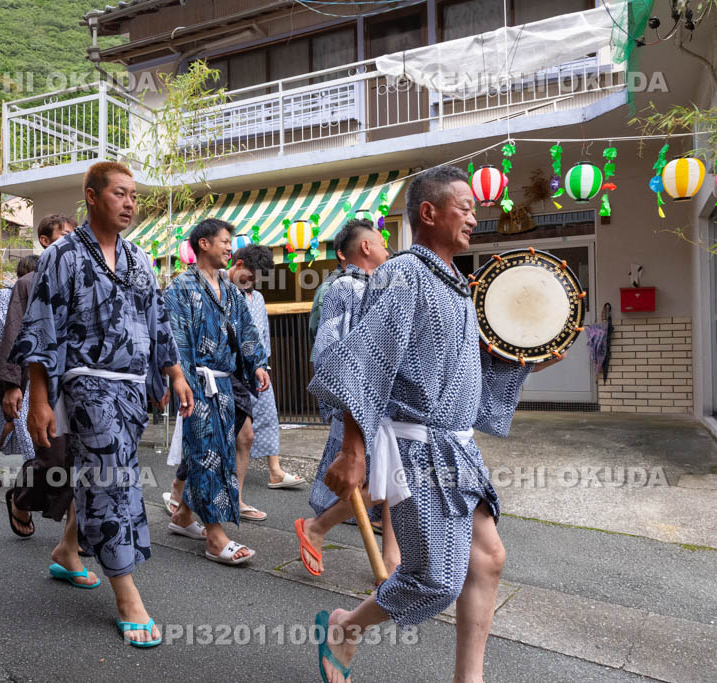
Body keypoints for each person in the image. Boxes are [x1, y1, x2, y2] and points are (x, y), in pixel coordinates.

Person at [307, 166, 565, 683]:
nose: (475, 216)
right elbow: (366, 360)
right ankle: (346, 626)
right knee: (434, 580)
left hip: (456, 448)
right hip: (417, 450)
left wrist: (527, 358)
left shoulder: (458, 286)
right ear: (429, 213)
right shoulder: (403, 274)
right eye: (464, 207)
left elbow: (469, 367)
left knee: (488, 558)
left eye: (474, 208)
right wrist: (353, 449)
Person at [11, 162, 193, 647]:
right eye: (119, 193)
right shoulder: (62, 257)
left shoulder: (140, 259)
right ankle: (127, 595)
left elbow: (157, 322)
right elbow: (41, 330)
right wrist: (40, 400)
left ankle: (69, 551)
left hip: (131, 387)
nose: (130, 203)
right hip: (87, 383)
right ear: (92, 197)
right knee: (113, 481)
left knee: (102, 473)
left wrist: (174, 373)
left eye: (134, 195)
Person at [294, 218, 400, 581]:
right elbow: (328, 349)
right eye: (380, 242)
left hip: (385, 398)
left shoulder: (381, 286)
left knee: (395, 475)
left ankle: (391, 557)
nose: (387, 248)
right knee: (376, 478)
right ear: (366, 247)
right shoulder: (342, 287)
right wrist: (341, 402)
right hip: (361, 400)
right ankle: (317, 528)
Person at [163, 218, 270, 566]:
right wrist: (178, 379)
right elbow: (173, 338)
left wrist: (256, 363)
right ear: (204, 244)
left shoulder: (230, 291)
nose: (229, 247)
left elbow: (247, 332)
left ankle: (182, 516)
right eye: (224, 241)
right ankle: (215, 535)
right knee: (205, 454)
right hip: (197, 382)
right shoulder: (180, 288)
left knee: (218, 453)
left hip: (225, 384)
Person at [0, 216, 77, 545]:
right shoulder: (29, 282)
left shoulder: (84, 278)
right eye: (64, 234)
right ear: (45, 240)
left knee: (84, 459)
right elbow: (16, 332)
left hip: (86, 385)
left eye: (75, 234)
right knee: (53, 457)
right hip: (47, 382)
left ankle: (74, 538)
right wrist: (12, 385)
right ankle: (21, 497)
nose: (72, 240)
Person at [227, 243, 305, 497]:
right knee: (235, 427)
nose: (255, 280)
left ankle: (275, 470)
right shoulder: (224, 292)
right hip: (231, 370)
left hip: (258, 369)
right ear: (239, 265)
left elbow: (262, 335)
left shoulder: (256, 297)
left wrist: (264, 364)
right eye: (252, 275)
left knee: (268, 416)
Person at [0, 257, 38, 488]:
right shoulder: (2, 295)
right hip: (11, 364)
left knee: (26, 419)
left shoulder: (47, 297)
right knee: (11, 417)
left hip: (40, 367)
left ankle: (34, 468)